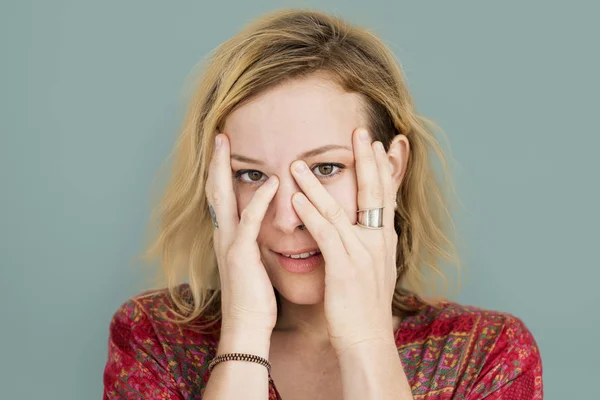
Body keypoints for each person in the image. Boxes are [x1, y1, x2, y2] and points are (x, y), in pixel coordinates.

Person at [103, 9, 543, 400]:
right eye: (251, 175)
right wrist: (243, 332)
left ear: (390, 169)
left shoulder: (488, 353)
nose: (288, 216)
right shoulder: (154, 339)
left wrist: (365, 340)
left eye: (325, 168)